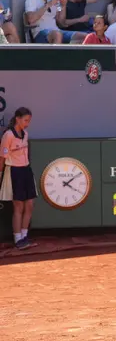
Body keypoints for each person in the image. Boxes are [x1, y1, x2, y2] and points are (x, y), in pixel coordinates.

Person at [0, 107, 37, 250]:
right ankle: (17, 239)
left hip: (26, 170)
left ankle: (24, 236)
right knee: (18, 206)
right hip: (14, 171)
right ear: (18, 119)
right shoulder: (8, 135)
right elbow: (2, 158)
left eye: (29, 121)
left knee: (29, 205)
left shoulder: (25, 134)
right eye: (25, 120)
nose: (27, 123)